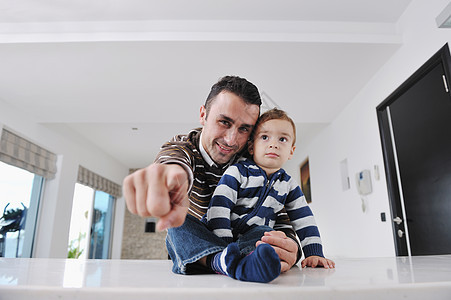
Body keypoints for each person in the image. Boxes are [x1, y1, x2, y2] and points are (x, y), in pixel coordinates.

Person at [123, 76, 300, 282]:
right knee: (178, 226)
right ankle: (222, 260)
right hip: (199, 259)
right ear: (203, 115)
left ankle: (237, 262)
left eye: (244, 129)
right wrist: (170, 178)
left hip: (246, 253)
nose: (231, 139)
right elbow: (174, 162)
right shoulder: (183, 148)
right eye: (224, 122)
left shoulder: (256, 162)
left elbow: (281, 217)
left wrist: (291, 248)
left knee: (265, 230)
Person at [201, 108, 335, 282]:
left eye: (283, 139)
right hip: (216, 238)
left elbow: (304, 218)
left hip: (254, 238)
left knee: (269, 234)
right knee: (181, 228)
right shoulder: (237, 172)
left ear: (291, 151)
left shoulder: (288, 184)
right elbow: (219, 207)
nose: (274, 144)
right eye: (265, 137)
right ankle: (225, 259)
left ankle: (250, 262)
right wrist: (225, 245)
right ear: (251, 146)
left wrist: (314, 252)